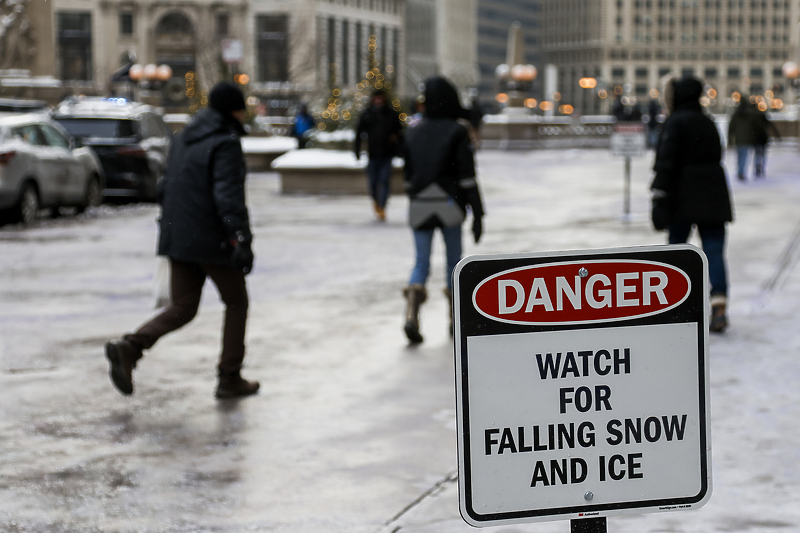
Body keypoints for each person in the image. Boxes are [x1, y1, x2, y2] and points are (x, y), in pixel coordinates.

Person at [104, 81, 259, 399]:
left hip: (178, 233)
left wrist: (172, 230)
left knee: (185, 306)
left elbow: (165, 186)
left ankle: (131, 347)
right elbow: (227, 194)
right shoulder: (225, 141)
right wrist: (240, 238)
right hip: (211, 238)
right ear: (234, 110)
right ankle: (230, 377)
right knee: (237, 302)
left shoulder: (184, 136)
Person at [402, 76, 484, 343]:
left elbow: (407, 173)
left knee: (421, 262)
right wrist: (478, 213)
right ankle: (454, 319)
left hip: (419, 204)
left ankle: (411, 314)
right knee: (454, 263)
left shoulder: (412, 130)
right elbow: (467, 177)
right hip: (449, 203)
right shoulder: (457, 131)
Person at [651, 76, 733, 333]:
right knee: (714, 249)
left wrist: (660, 195)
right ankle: (718, 303)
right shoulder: (708, 121)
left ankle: (676, 305)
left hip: (681, 195)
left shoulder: (674, 123)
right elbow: (717, 154)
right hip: (713, 193)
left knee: (677, 252)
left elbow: (666, 162)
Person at [354, 89, 403, 221]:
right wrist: (357, 151)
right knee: (373, 181)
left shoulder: (391, 114)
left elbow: (399, 134)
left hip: (387, 154)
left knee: (384, 180)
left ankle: (382, 205)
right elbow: (359, 133)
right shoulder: (367, 114)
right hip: (373, 154)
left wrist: (399, 150)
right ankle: (376, 201)